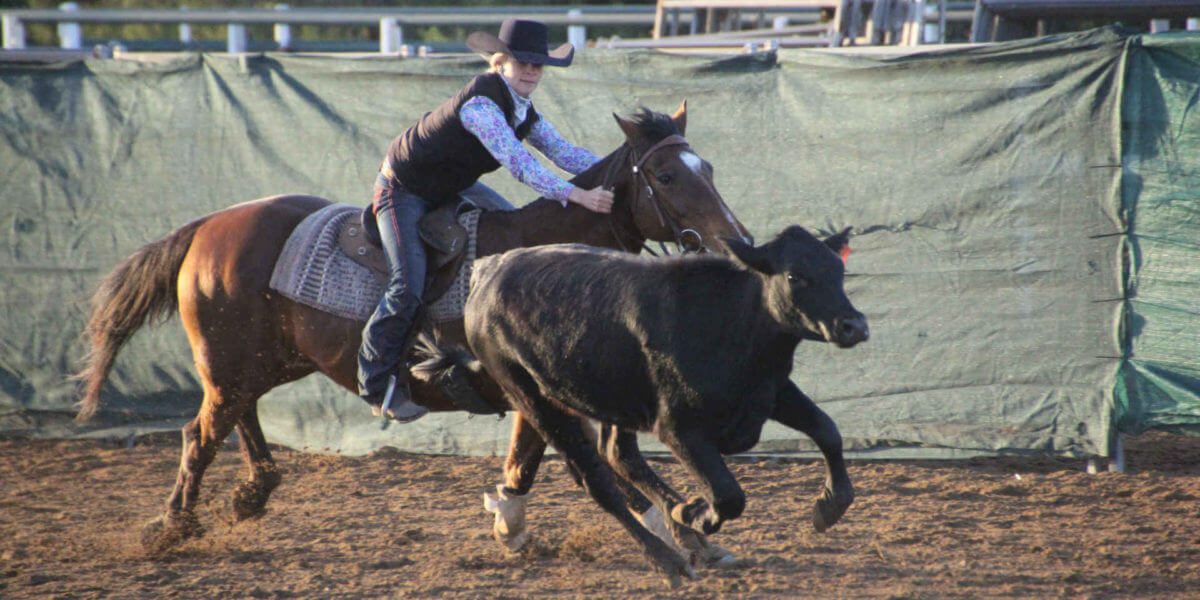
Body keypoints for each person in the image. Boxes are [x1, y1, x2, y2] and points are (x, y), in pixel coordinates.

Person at [359, 19, 616, 422]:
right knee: (406, 283)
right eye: (523, 62)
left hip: (450, 188)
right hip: (403, 190)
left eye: (538, 65)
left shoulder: (523, 109)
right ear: (500, 63)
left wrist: (619, 170)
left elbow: (564, 153)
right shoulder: (481, 106)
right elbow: (519, 162)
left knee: (510, 230)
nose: (532, 71)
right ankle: (376, 384)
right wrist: (578, 194)